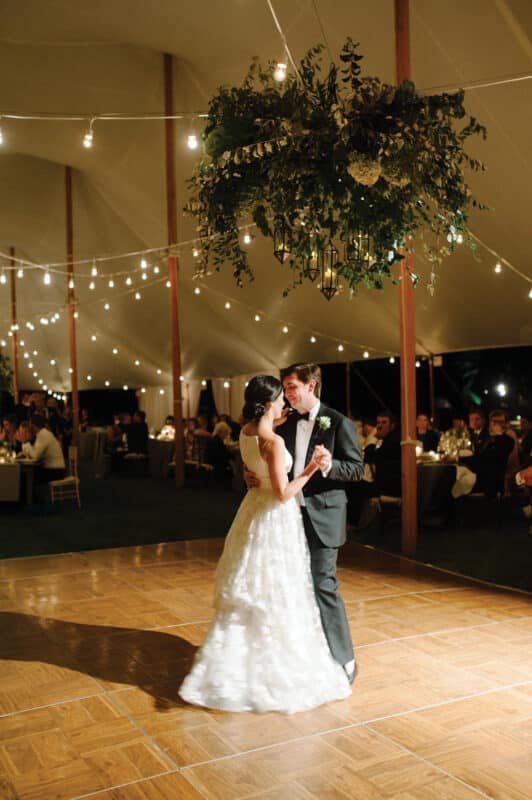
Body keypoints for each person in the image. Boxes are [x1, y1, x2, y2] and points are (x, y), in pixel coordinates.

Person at [179, 375, 351, 713]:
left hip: (252, 513)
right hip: (275, 519)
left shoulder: (246, 432)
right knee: (278, 591)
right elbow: (284, 493)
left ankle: (238, 665)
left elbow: (255, 467)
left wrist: (272, 424)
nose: (286, 404)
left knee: (253, 590)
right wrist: (313, 467)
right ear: (270, 403)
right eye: (281, 399)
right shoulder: (273, 442)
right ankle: (274, 667)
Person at [18, 414, 65, 485]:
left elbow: (35, 456)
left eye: (30, 425)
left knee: (25, 478)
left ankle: (31, 496)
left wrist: (25, 441)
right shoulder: (42, 434)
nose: (29, 428)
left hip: (55, 471)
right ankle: (33, 496)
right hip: (53, 470)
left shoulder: (43, 435)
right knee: (26, 476)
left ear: (33, 425)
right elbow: (34, 453)